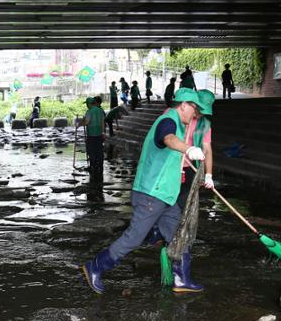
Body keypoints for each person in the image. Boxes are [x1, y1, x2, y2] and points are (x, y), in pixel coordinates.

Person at [82, 89, 215, 295]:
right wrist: (188, 149)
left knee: (179, 234)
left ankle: (182, 279)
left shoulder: (179, 123)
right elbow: (168, 138)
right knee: (134, 237)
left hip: (166, 195)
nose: (196, 114)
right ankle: (95, 266)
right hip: (152, 194)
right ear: (184, 105)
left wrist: (203, 171)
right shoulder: (168, 121)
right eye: (194, 109)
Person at [78, 96, 105, 180]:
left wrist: (80, 123)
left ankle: (92, 166)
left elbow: (87, 122)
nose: (86, 106)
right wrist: (103, 132)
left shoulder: (89, 112)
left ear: (89, 104)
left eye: (87, 104)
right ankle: (100, 166)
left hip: (91, 134)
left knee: (92, 150)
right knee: (99, 150)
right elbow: (102, 122)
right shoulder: (100, 111)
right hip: (99, 134)